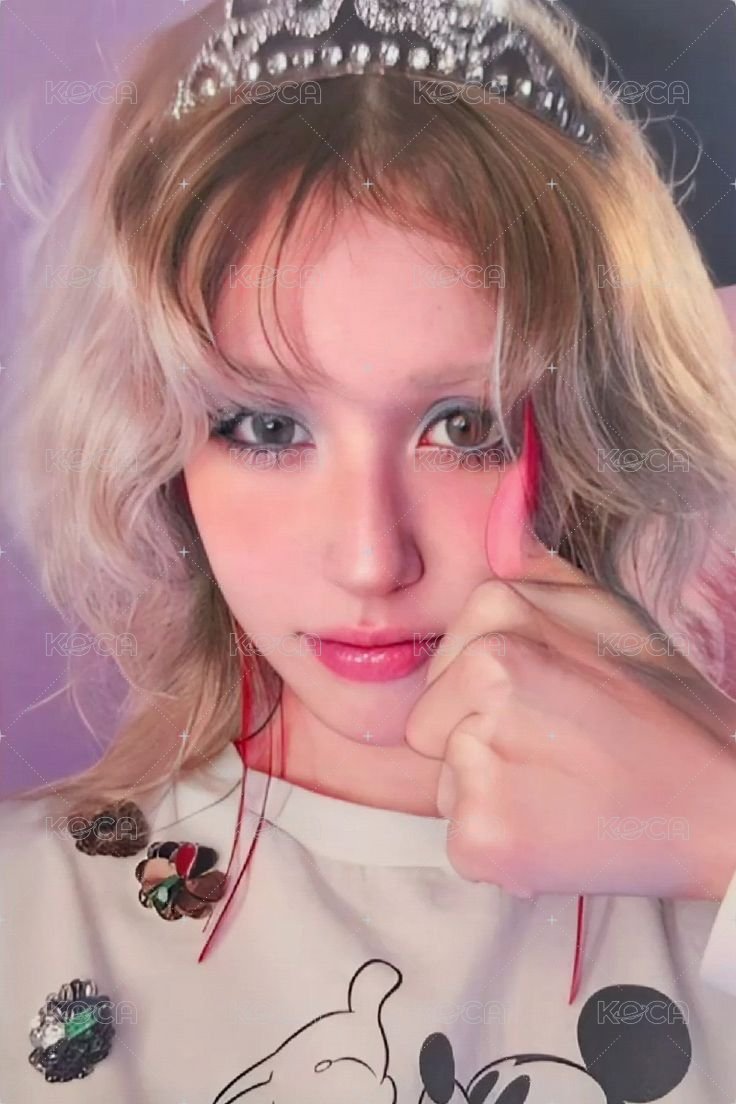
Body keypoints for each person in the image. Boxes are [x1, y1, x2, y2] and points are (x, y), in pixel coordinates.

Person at [2, 0, 736, 1100]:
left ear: (597, 434)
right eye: (266, 426)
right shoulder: (26, 914)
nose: (369, 560)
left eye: (465, 424)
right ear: (159, 447)